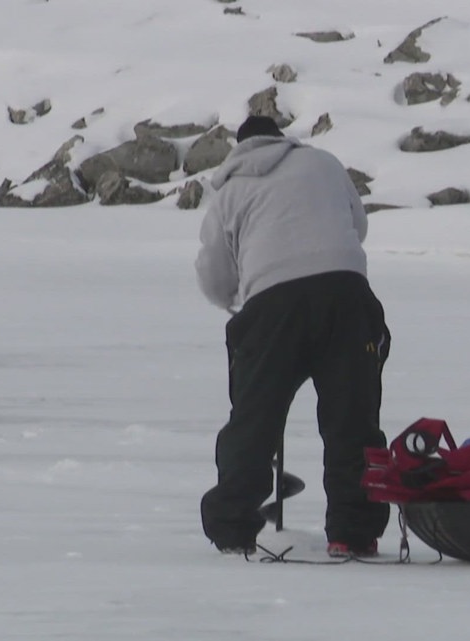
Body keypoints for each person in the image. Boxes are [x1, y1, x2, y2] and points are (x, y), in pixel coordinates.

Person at [195, 115, 392, 558]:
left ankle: (233, 529)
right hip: (346, 294)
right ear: (281, 138)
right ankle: (353, 533)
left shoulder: (229, 191)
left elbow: (213, 274)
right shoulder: (322, 163)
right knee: (353, 419)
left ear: (238, 149)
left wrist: (239, 297)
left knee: (254, 420)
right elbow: (357, 225)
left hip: (272, 305)